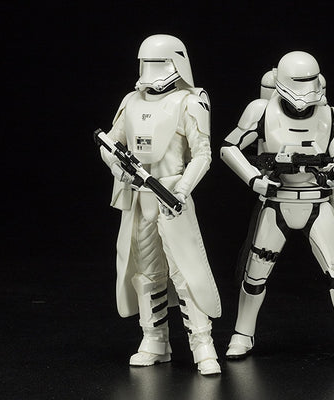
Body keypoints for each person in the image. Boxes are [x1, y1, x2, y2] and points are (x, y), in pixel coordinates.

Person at [220, 51, 334, 367]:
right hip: (277, 201)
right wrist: (254, 179)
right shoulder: (261, 111)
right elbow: (228, 148)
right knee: (256, 272)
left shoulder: (332, 116)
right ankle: (242, 333)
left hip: (316, 203)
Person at [98, 34, 221, 375]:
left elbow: (202, 154)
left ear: (177, 63)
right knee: (146, 273)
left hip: (171, 196)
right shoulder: (131, 101)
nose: (151, 70)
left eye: (159, 62)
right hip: (140, 198)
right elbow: (109, 143)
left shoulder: (190, 101)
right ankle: (154, 339)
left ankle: (202, 343)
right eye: (146, 63)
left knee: (186, 273)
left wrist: (182, 190)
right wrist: (117, 167)